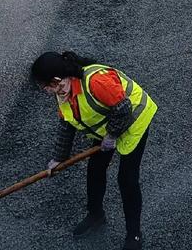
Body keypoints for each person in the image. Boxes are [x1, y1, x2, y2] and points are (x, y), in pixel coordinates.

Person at [32, 51, 157, 250]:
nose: (51, 91)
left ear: (57, 79)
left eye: (50, 86)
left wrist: (112, 135)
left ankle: (134, 235)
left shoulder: (96, 81)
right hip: (108, 123)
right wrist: (59, 158)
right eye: (47, 89)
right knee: (95, 170)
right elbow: (67, 123)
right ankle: (95, 215)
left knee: (127, 179)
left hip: (134, 120)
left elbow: (123, 108)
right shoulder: (63, 90)